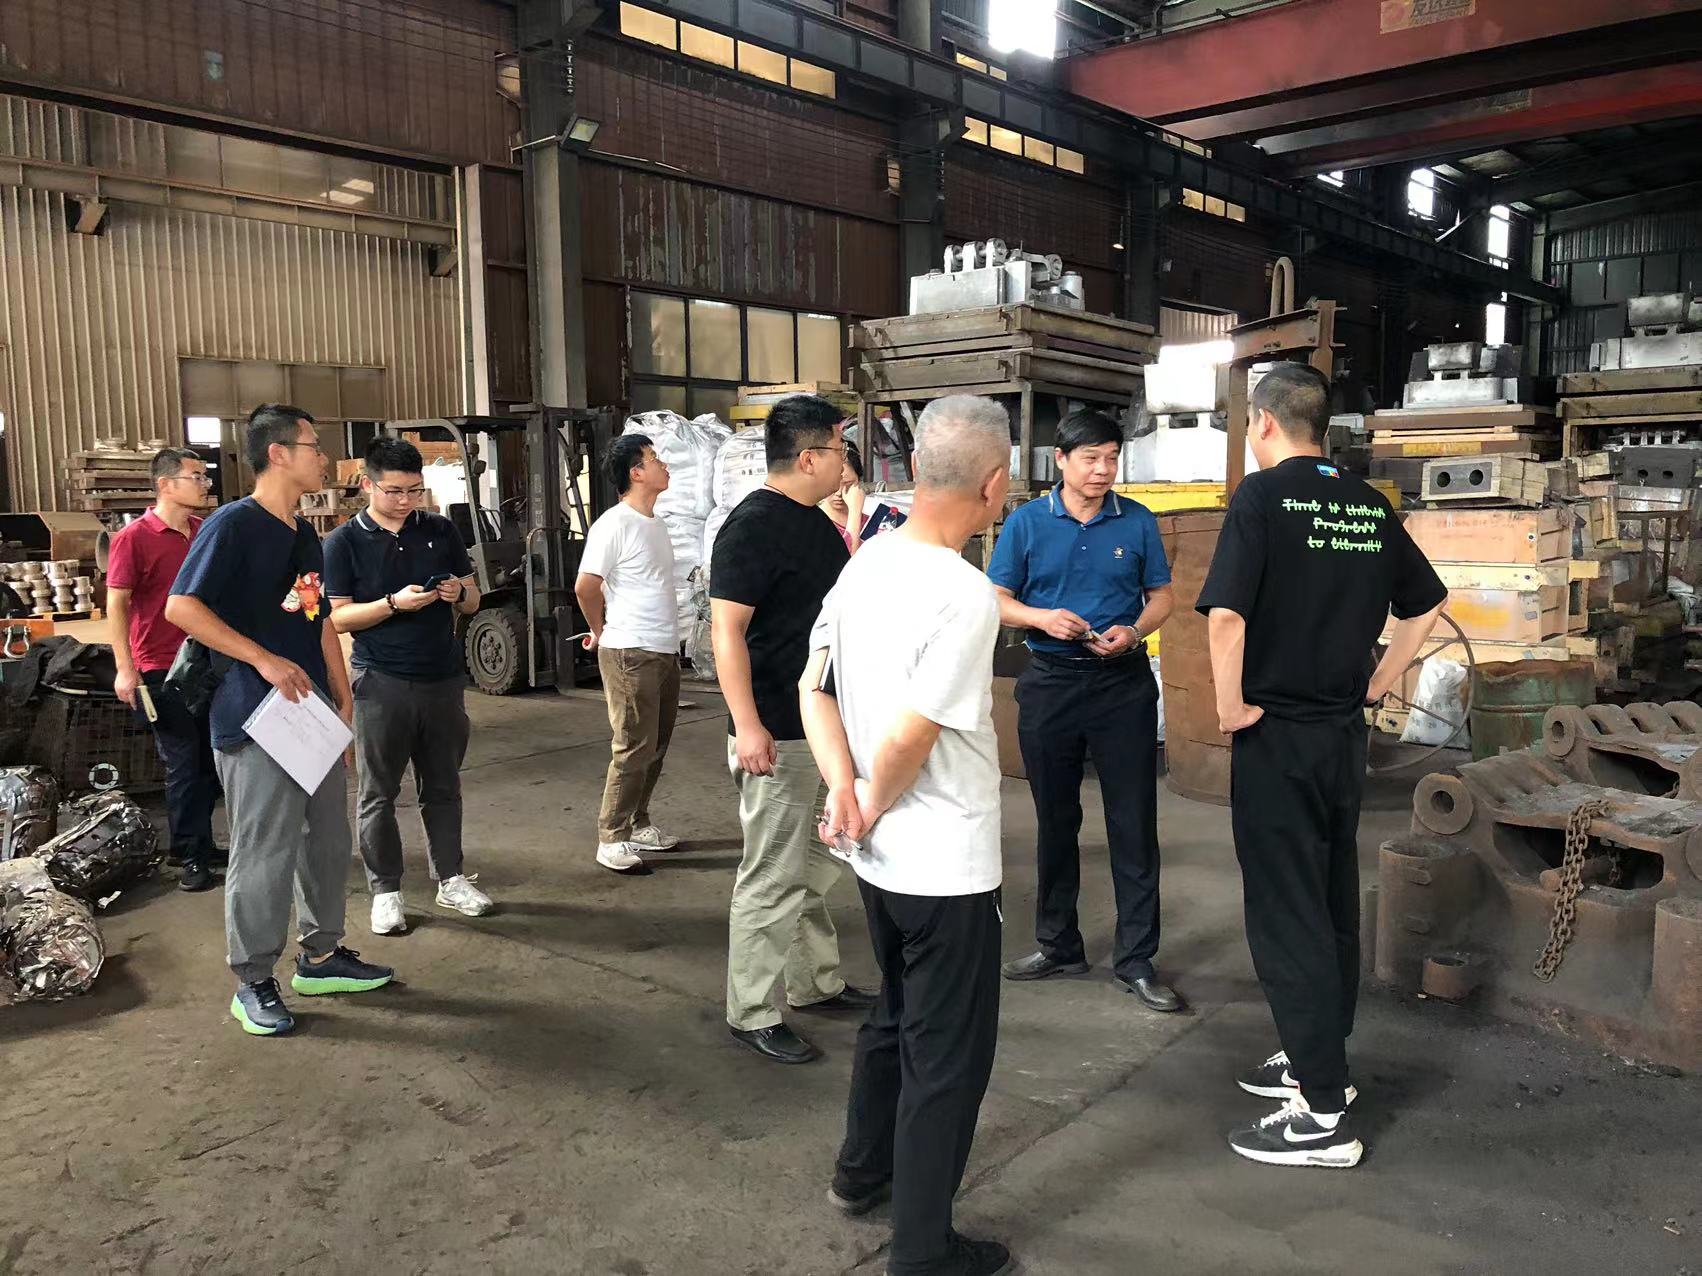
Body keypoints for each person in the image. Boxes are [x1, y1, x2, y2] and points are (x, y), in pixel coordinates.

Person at [1198, 362, 1446, 1168]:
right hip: (1342, 736)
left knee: (1286, 912)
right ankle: (1318, 1055)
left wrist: (1230, 707)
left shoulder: (1262, 498)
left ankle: (1322, 1115)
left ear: (1264, 423)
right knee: (1330, 897)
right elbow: (1427, 604)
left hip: (1278, 735)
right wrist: (1381, 680)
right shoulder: (1368, 504)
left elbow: (1227, 616)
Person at [803, 394, 1015, 1276]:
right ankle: (923, 1253)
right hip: (944, 865)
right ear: (995, 484)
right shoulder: (964, 593)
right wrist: (866, 797)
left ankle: (862, 1172)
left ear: (916, 469)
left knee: (894, 1013)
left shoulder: (867, 561)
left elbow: (813, 688)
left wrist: (844, 794)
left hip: (879, 861)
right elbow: (914, 735)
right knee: (947, 1059)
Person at [167, 405, 393, 1038]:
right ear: (278, 454)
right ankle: (253, 980)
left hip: (308, 712)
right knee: (264, 851)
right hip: (253, 716)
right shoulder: (234, 525)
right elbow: (182, 607)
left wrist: (341, 698)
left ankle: (320, 956)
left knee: (326, 840)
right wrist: (262, 660)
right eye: (314, 446)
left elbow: (315, 620)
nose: (323, 457)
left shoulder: (302, 534)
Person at [986, 408, 1181, 1013]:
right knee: (1055, 820)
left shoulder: (1137, 521)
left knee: (1133, 823)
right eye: (1091, 458)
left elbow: (1162, 597)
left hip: (1122, 685)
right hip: (1050, 684)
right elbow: (995, 598)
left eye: (1111, 458)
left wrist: (1135, 630)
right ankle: (1058, 945)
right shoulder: (1026, 523)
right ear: (1062, 461)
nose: (1102, 470)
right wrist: (1043, 619)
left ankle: (1137, 959)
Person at [710, 393, 873, 1065]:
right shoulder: (753, 526)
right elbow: (726, 631)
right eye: (839, 449)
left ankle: (814, 983)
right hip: (777, 732)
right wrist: (749, 725)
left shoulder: (812, 521)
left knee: (815, 863)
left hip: (821, 726)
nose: (846, 462)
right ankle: (750, 1011)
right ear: (809, 457)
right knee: (773, 875)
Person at [323, 436, 492, 936]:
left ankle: (451, 878)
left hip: (442, 679)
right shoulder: (342, 543)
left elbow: (474, 600)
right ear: (367, 485)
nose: (406, 501)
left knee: (443, 785)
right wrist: (393, 604)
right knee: (378, 792)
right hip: (381, 680)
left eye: (415, 491)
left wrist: (458, 592)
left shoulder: (440, 530)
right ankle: (386, 891)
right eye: (394, 491)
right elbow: (338, 618)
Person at [107, 447, 221, 892]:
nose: (205, 484)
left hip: (205, 660)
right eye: (196, 476)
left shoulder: (202, 531)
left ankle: (198, 843)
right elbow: (116, 604)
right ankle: (190, 856)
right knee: (184, 763)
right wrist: (125, 669)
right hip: (160, 668)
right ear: (165, 484)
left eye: (205, 476)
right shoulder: (133, 538)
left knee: (209, 760)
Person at [574, 433, 683, 875]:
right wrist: (600, 631)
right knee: (633, 746)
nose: (663, 465)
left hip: (663, 648)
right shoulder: (614, 524)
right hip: (630, 650)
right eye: (654, 459)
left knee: (655, 745)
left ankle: (638, 823)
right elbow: (586, 586)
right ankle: (611, 837)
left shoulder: (656, 524)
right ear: (636, 473)